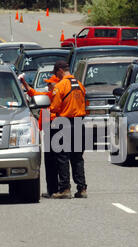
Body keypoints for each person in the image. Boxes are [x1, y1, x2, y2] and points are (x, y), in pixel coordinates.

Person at [50, 60, 88, 199]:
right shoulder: (79, 84)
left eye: (56, 73)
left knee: (63, 157)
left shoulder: (60, 86)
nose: (56, 76)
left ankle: (65, 189)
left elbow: (54, 107)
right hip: (79, 122)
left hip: (64, 123)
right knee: (77, 157)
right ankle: (82, 188)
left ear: (60, 70)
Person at [19, 73, 60, 198]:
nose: (47, 86)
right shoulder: (48, 95)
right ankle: (53, 189)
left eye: (50, 83)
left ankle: (56, 189)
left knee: (56, 161)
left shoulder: (57, 97)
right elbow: (33, 93)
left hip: (55, 128)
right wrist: (24, 82)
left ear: (56, 84)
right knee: (51, 161)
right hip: (49, 130)